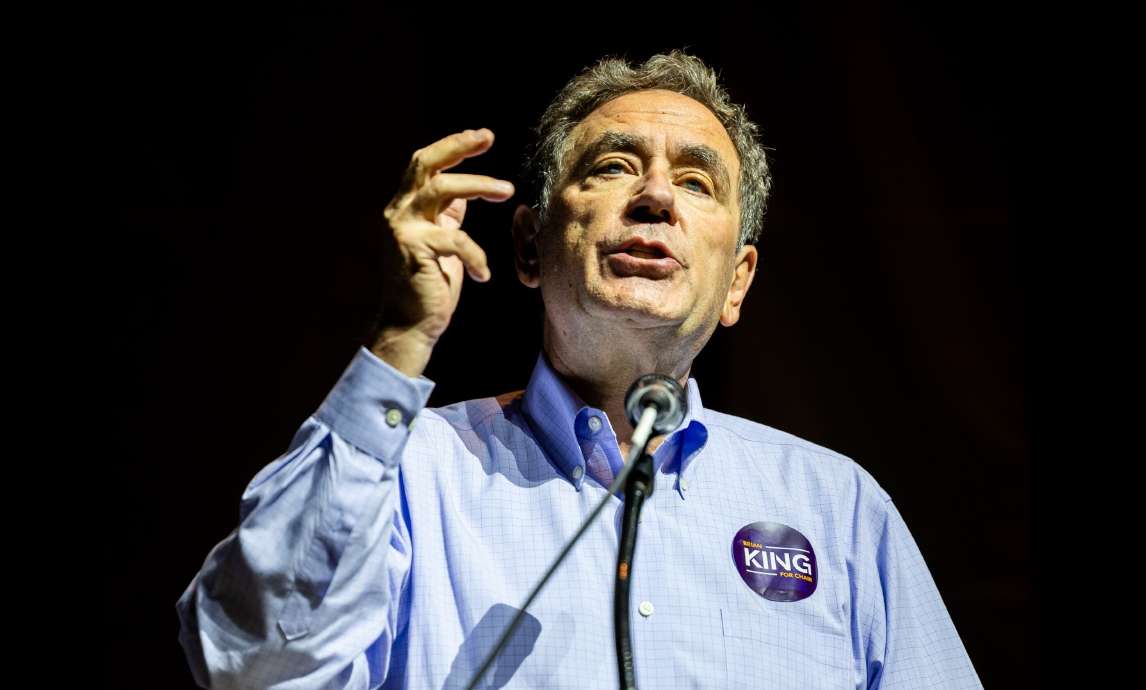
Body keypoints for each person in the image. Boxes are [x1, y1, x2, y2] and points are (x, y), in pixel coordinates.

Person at [177, 50, 983, 690]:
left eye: (696, 181)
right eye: (612, 167)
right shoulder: (412, 474)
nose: (657, 196)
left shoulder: (837, 509)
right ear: (528, 245)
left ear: (737, 280)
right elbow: (247, 663)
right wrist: (402, 336)